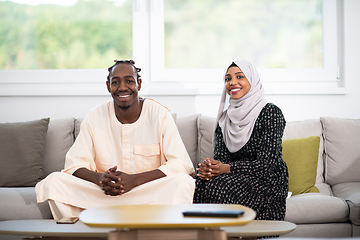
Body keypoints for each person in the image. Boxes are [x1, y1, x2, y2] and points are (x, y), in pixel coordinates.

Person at [36, 60, 195, 220]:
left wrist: (134, 180)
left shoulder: (159, 115)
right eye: (116, 82)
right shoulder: (95, 116)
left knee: (183, 182)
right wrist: (100, 179)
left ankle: (101, 218)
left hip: (146, 191)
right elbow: (75, 165)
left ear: (138, 84)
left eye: (129, 81)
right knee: (55, 181)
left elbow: (180, 164)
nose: (123, 87)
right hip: (105, 193)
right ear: (108, 86)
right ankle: (95, 226)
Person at [193, 59, 288, 221]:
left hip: (267, 181)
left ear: (252, 80)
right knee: (198, 182)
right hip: (235, 177)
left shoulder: (271, 113)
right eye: (228, 79)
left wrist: (227, 168)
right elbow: (221, 160)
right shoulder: (225, 119)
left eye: (239, 77)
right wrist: (210, 168)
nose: (232, 82)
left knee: (217, 187)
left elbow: (267, 166)